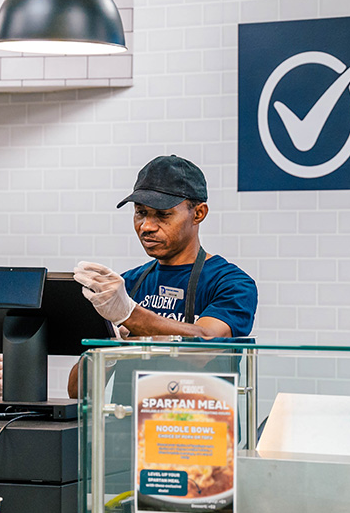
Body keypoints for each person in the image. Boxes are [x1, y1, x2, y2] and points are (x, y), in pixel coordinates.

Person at [68, 155, 258, 396]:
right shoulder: (127, 286)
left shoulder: (231, 283)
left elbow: (205, 346)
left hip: (200, 429)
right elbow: (77, 391)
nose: (146, 226)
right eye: (140, 212)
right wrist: (110, 350)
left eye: (162, 215)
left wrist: (128, 315)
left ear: (198, 213)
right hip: (125, 431)